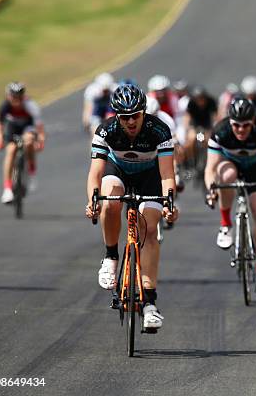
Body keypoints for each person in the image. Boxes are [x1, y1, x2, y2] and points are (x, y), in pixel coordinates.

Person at [85, 84, 179, 331]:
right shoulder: (106, 130)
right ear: (117, 115)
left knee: (148, 229)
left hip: (150, 177)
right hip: (118, 173)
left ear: (143, 112)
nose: (130, 122)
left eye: (135, 116)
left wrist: (169, 201)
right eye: (124, 117)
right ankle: (111, 256)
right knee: (110, 198)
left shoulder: (159, 130)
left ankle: (149, 303)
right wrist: (93, 200)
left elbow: (167, 174)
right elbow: (95, 173)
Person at [204, 98, 256, 292]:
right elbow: (210, 168)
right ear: (230, 122)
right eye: (236, 125)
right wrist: (211, 190)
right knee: (226, 176)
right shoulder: (220, 131)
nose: (240, 130)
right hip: (230, 165)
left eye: (246, 125)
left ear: (253, 121)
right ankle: (225, 224)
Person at [0, 82, 45, 203]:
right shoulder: (5, 106)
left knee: (28, 142)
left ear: (23, 96)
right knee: (10, 150)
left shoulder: (30, 105)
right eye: (13, 97)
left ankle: (31, 171)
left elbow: (39, 126)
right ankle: (7, 188)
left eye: (19, 97)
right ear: (8, 96)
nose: (16, 100)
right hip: (13, 128)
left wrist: (41, 139)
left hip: (28, 127)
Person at [182, 86, 217, 173]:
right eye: (197, 99)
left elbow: (215, 116)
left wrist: (213, 128)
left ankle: (207, 160)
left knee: (208, 141)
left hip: (207, 125)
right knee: (191, 140)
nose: (200, 101)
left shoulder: (211, 101)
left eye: (201, 98)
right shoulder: (191, 103)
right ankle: (191, 160)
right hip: (195, 125)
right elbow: (187, 116)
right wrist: (187, 128)